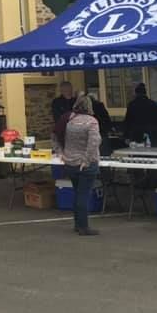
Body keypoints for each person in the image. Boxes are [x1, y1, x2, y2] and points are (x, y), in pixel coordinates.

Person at [54, 95, 102, 236]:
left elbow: (55, 135)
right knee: (83, 195)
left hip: (70, 162)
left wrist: (60, 153)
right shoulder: (92, 122)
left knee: (77, 193)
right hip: (86, 164)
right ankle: (83, 227)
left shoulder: (68, 120)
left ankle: (77, 224)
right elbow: (94, 142)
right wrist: (86, 161)